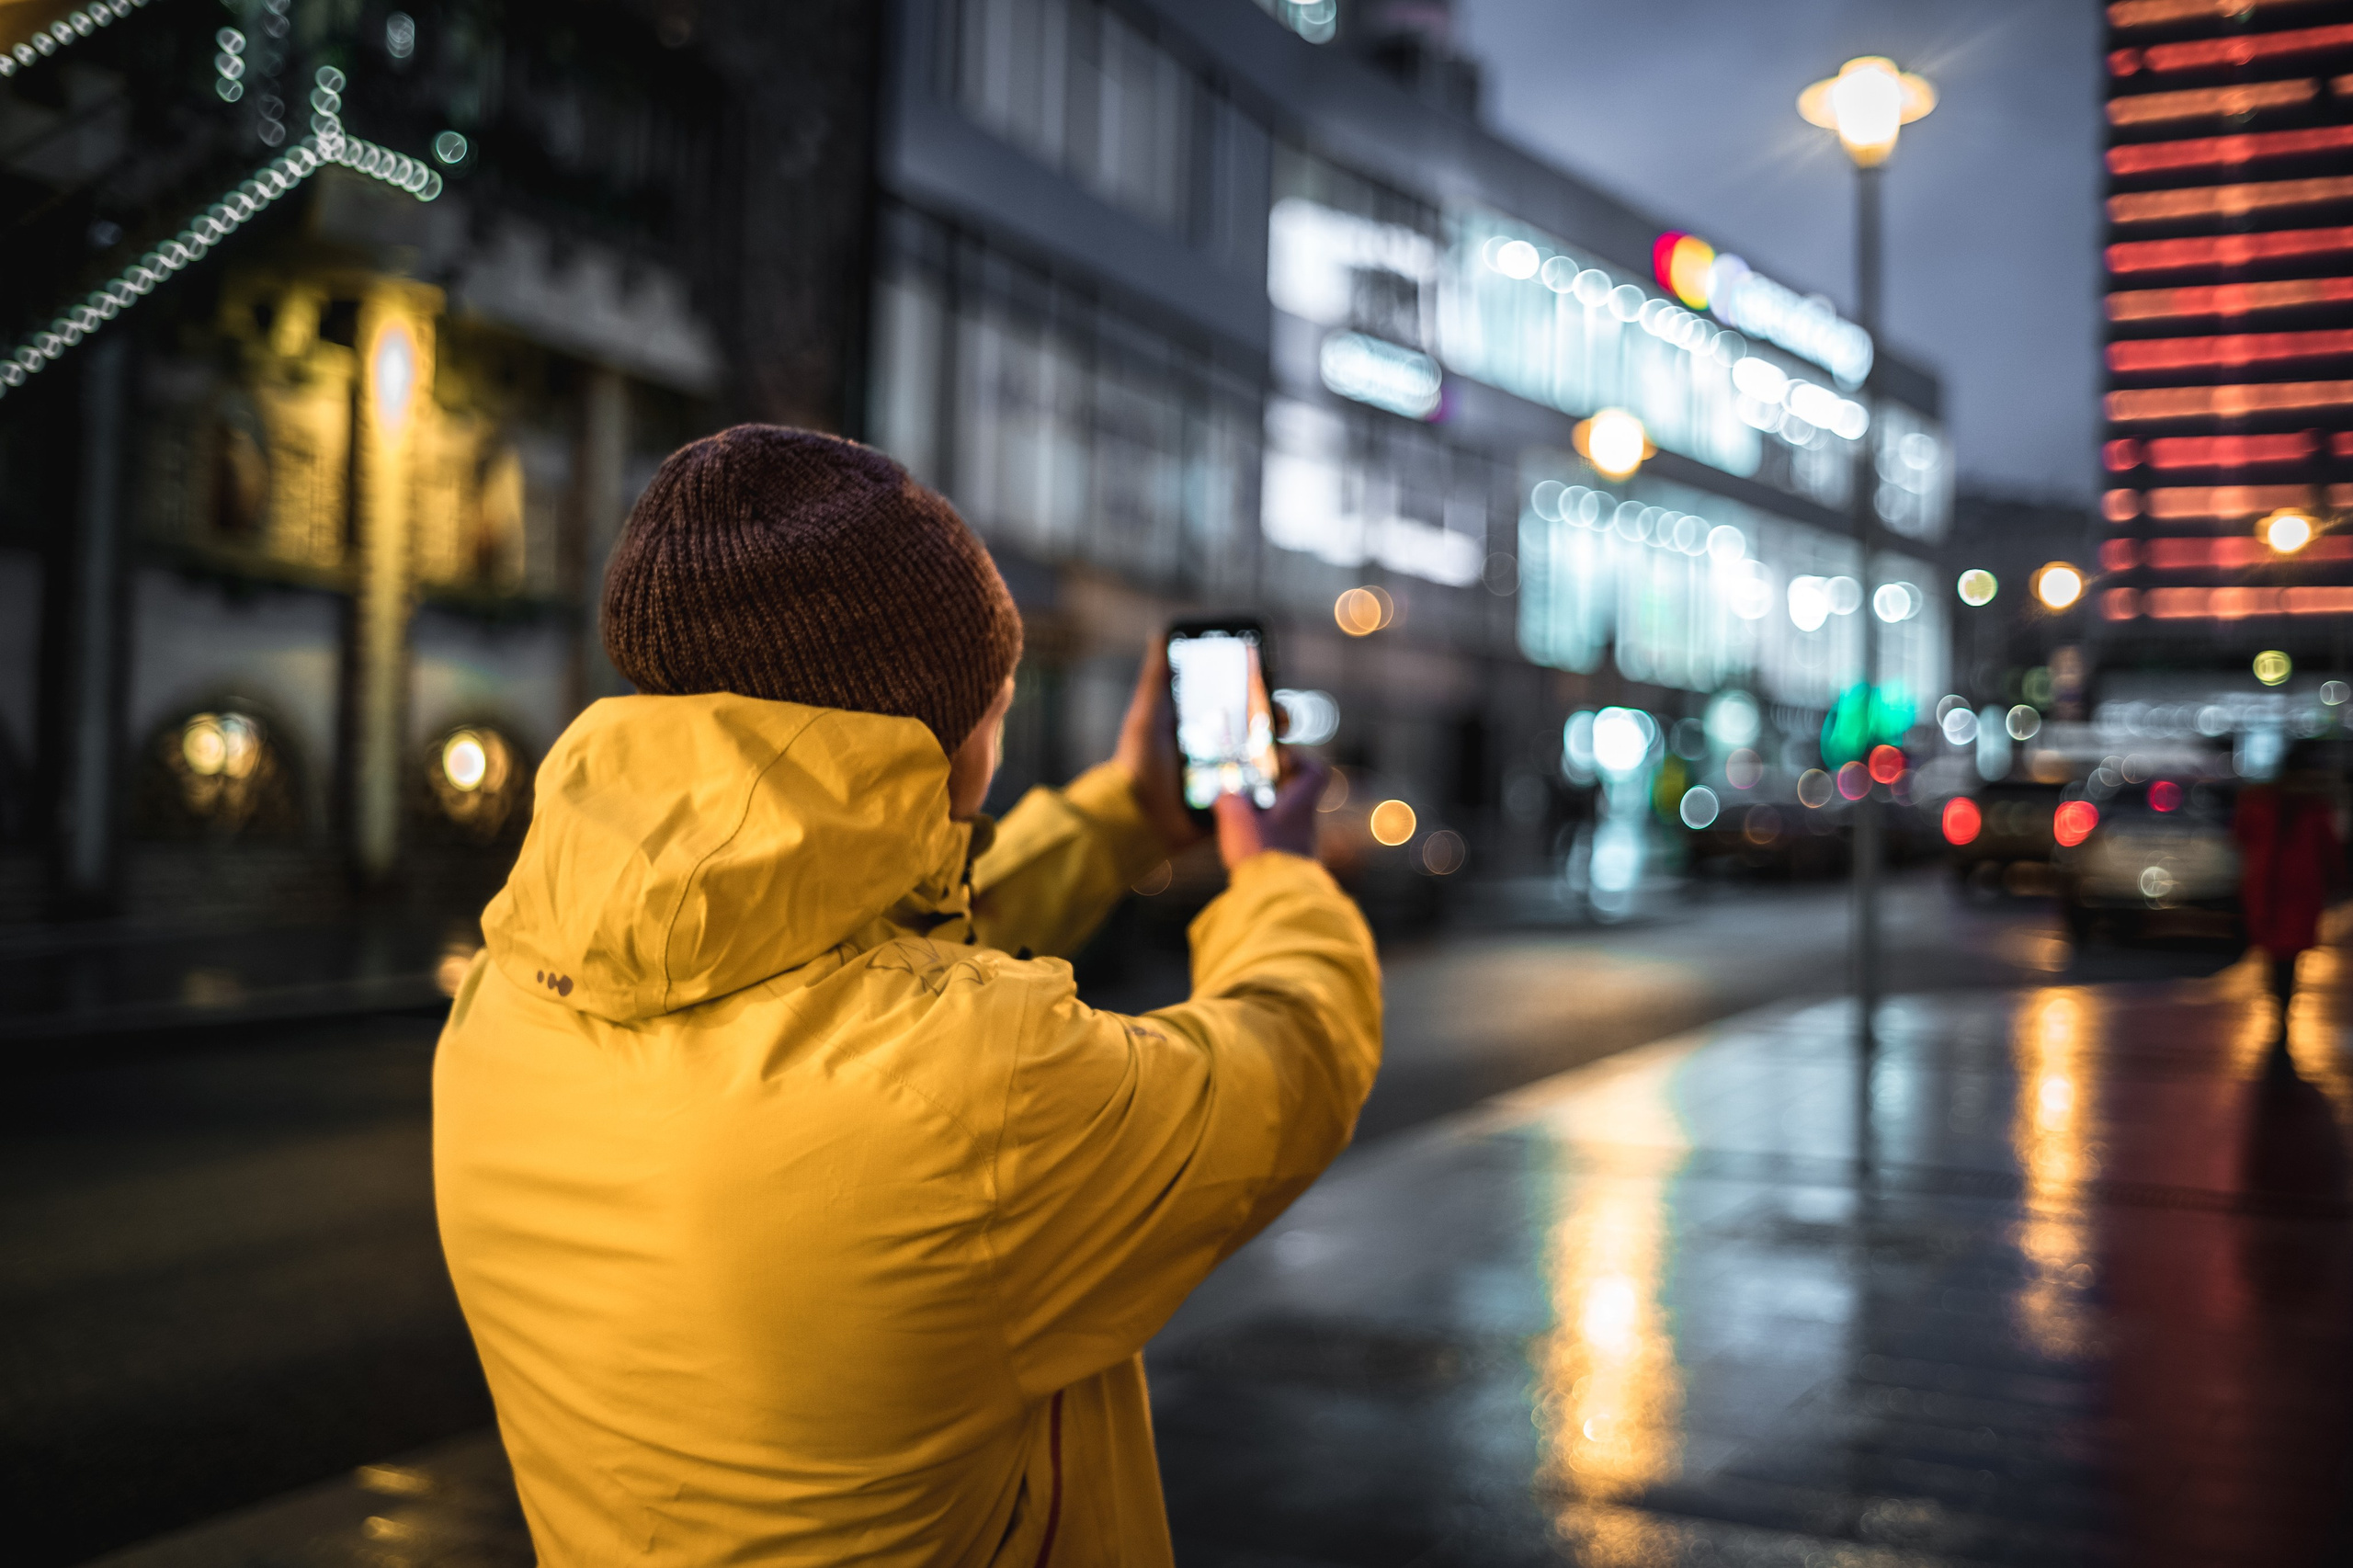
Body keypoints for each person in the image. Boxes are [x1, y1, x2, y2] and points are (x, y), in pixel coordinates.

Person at [433, 426, 1382, 1566]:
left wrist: (1120, 812)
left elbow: (842, 945)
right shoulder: (984, 1087)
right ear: (952, 734)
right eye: (997, 696)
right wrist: (1275, 871)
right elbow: (1288, 1064)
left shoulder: (503, 996)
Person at [2234, 740, 2346, 1047]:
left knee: (2276, 953)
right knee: (2289, 955)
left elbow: (2242, 837)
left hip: (2269, 888)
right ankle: (2283, 1009)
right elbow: (2330, 851)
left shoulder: (2261, 801)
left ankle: (2278, 1009)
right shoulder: (2313, 807)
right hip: (2299, 890)